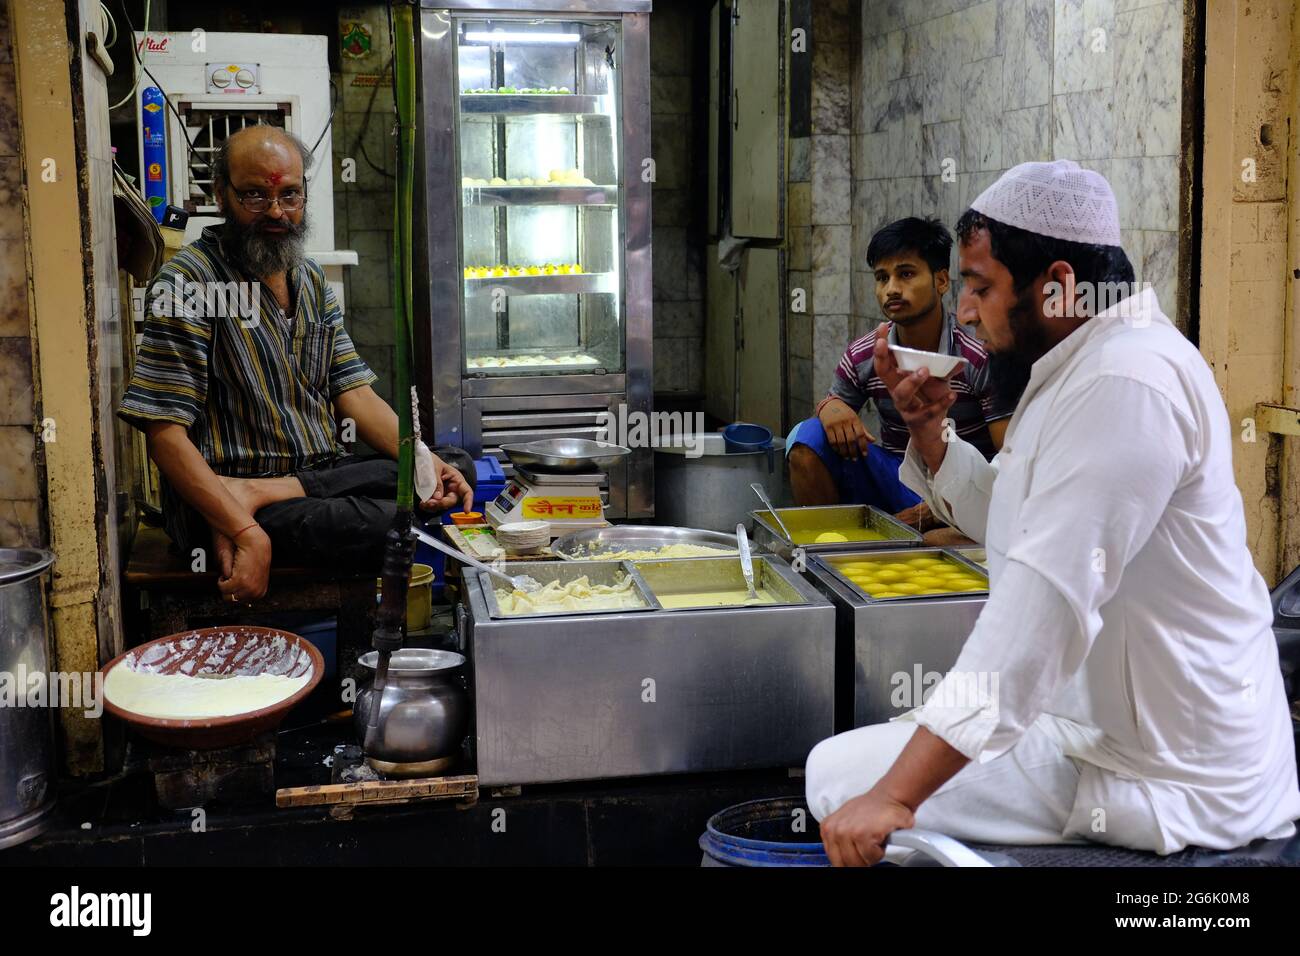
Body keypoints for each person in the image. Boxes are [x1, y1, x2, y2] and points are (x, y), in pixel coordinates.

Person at [805, 160, 1300, 865]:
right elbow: (1013, 520)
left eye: (981, 287)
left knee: (842, 781)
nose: (965, 312)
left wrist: (896, 794)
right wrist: (929, 433)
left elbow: (1043, 607)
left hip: (1175, 776)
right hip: (1093, 732)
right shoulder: (1080, 366)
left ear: (1060, 285)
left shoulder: (1128, 382)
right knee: (851, 766)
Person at [118, 125, 473, 604]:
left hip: (317, 479)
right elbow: (164, 435)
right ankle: (251, 495)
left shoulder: (309, 279)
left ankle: (268, 489)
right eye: (254, 195)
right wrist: (245, 532)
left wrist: (425, 462)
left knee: (452, 466)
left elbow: (354, 393)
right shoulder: (187, 283)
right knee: (390, 524)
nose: (275, 211)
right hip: (225, 503)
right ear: (220, 194)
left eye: (289, 195)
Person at [787, 217, 1013, 528]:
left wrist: (934, 510)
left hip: (963, 492)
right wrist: (830, 407)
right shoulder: (865, 354)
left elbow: (1009, 462)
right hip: (894, 481)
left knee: (948, 532)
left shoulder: (977, 357)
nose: (891, 289)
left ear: (941, 281)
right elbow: (833, 411)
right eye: (882, 278)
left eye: (906, 274)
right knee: (807, 437)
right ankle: (828, 546)